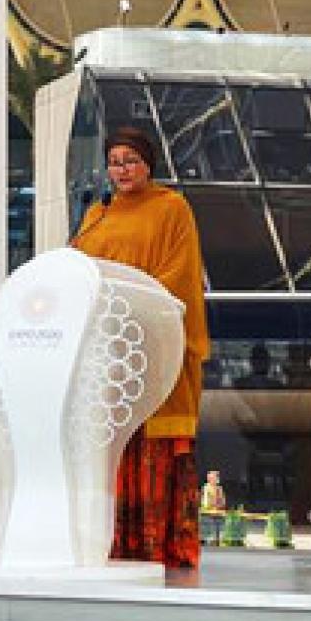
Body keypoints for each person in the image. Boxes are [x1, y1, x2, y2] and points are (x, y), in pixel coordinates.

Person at [72, 126, 210, 569]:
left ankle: (162, 547)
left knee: (155, 450)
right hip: (109, 350)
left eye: (130, 160)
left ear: (148, 164)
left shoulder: (172, 208)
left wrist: (135, 305)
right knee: (115, 447)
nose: (122, 169)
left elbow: (182, 274)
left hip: (156, 344)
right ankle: (110, 544)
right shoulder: (97, 214)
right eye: (114, 161)